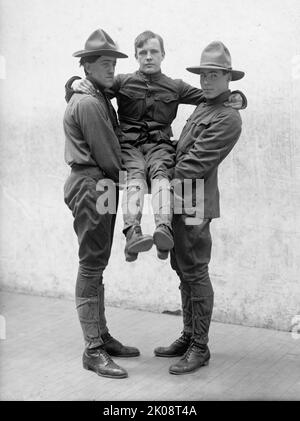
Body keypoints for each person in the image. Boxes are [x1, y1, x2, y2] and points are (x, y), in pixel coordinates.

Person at [65, 31, 247, 262]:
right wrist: (73, 84)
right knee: (135, 179)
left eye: (154, 52)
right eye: (143, 53)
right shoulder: (122, 82)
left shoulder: (176, 87)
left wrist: (237, 97)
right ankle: (133, 233)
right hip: (130, 148)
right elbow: (93, 90)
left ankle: (163, 229)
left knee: (162, 177)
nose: (149, 57)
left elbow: (210, 95)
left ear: (163, 55)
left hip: (161, 149)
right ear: (135, 56)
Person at [154, 41, 245, 375]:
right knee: (181, 267)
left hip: (195, 202)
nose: (206, 81)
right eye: (203, 74)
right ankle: (188, 334)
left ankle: (200, 347)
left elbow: (195, 163)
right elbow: (183, 148)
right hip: (180, 200)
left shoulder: (228, 117)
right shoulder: (205, 107)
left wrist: (160, 179)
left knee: (195, 270)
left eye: (214, 75)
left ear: (228, 78)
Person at [63, 28, 140, 380]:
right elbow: (110, 156)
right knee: (91, 266)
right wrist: (139, 177)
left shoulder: (97, 94)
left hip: (102, 184)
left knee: (98, 262)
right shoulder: (91, 102)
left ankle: (101, 337)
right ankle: (92, 350)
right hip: (93, 185)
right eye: (105, 63)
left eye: (113, 63)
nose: (111, 69)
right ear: (88, 66)